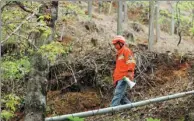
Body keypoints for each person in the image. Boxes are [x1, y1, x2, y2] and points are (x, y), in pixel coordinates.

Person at [110, 35, 136, 107]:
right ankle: (131, 107)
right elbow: (119, 68)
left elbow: (131, 61)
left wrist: (130, 72)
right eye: (114, 44)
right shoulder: (119, 54)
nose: (115, 46)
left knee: (118, 93)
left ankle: (111, 111)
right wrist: (115, 80)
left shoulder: (126, 51)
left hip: (124, 77)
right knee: (121, 96)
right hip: (119, 78)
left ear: (120, 43)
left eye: (115, 44)